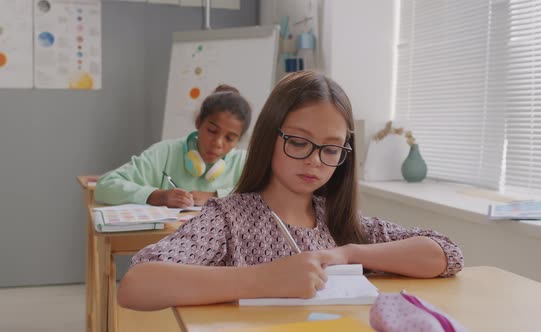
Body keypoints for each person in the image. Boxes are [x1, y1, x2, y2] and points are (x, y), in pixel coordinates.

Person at [117, 71, 464, 311]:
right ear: (270, 137)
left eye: (331, 149)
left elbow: (446, 254)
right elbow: (137, 285)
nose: (314, 160)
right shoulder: (229, 219)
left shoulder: (339, 222)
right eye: (298, 142)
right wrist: (264, 279)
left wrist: (349, 254)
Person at [94, 85, 251, 207]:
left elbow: (266, 199)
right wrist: (157, 196)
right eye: (211, 131)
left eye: (229, 138)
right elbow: (105, 186)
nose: (217, 143)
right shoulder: (165, 153)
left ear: (239, 140)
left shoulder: (243, 162)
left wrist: (215, 196)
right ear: (198, 122)